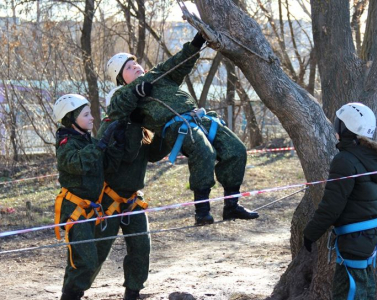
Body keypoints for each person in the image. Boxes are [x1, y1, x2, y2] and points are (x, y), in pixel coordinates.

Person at [105, 32, 259, 226]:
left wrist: (197, 42)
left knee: (236, 150)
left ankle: (231, 206)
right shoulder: (122, 94)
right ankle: (202, 212)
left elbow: (179, 61)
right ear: (120, 78)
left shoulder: (157, 75)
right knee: (204, 152)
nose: (135, 66)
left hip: (199, 118)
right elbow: (115, 111)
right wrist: (135, 93)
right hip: (177, 127)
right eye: (128, 67)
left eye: (135, 63)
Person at [302, 103, 377, 300]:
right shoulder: (372, 158)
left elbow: (331, 206)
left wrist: (311, 233)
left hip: (355, 239)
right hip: (368, 236)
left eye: (338, 124)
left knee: (347, 291)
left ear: (346, 128)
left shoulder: (345, 160)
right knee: (363, 288)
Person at [90, 108, 169, 300]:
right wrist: (132, 124)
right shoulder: (110, 126)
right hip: (107, 201)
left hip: (133, 201)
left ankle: (133, 291)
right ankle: (74, 291)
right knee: (97, 250)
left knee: (141, 246)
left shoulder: (142, 130)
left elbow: (154, 153)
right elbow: (124, 154)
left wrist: (165, 129)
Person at [52, 94, 125, 300]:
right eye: (86, 114)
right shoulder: (66, 144)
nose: (92, 118)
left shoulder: (88, 141)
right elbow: (78, 163)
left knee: (87, 258)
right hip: (74, 209)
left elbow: (108, 166)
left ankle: (71, 294)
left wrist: (116, 145)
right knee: (85, 260)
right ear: (71, 118)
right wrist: (100, 145)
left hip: (92, 209)